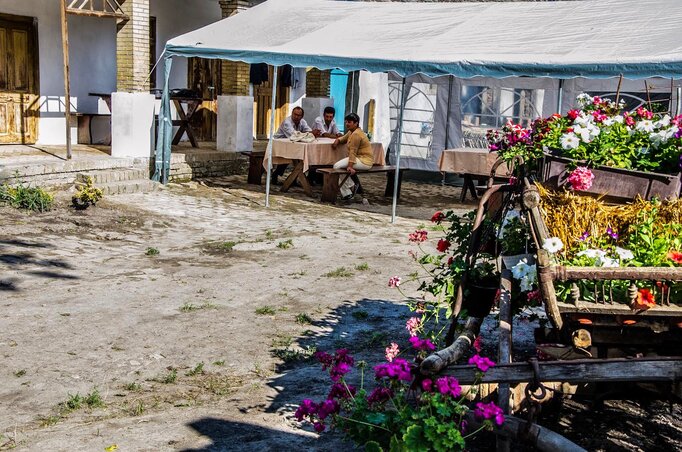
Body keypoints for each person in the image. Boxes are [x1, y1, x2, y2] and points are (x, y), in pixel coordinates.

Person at [332, 113, 373, 200]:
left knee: (336, 166)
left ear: (356, 123)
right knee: (340, 168)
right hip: (359, 159)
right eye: (346, 122)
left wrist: (350, 166)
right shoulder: (351, 131)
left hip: (364, 161)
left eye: (349, 122)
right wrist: (337, 140)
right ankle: (347, 194)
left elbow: (353, 152)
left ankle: (351, 185)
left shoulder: (356, 134)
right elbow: (343, 138)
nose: (347, 124)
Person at [271, 106, 312, 184]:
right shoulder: (287, 122)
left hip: (292, 144)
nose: (296, 117)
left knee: (300, 156)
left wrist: (311, 133)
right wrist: (307, 134)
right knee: (287, 156)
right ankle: (277, 174)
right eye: (294, 114)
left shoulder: (303, 122)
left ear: (302, 116)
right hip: (279, 143)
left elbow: (309, 131)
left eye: (298, 115)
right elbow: (294, 136)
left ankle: (293, 178)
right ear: (292, 114)